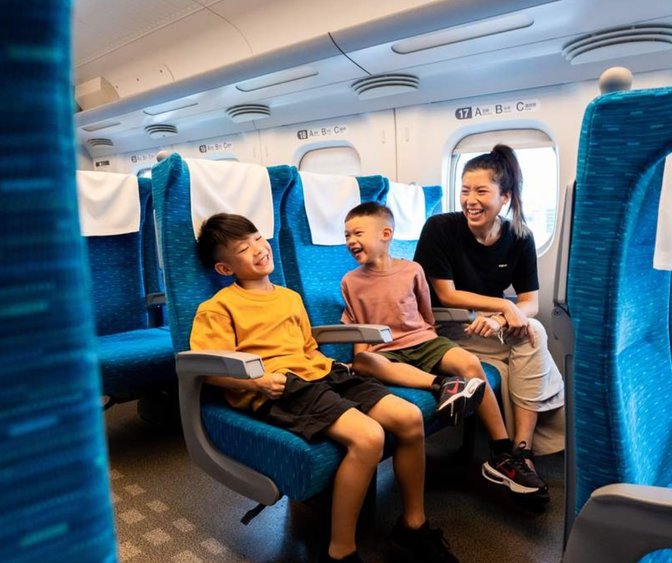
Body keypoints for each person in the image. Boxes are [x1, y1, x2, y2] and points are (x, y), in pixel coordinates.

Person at [190, 213, 459, 563]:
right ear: (226, 269)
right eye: (244, 248)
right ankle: (341, 551)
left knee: (409, 418)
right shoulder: (218, 308)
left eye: (258, 238)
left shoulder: (288, 297)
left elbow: (305, 347)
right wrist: (255, 381)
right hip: (282, 386)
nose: (259, 249)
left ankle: (412, 527)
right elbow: (205, 368)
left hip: (321, 374)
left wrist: (336, 368)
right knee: (369, 437)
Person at [341, 202, 548, 497]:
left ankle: (502, 450)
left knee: (468, 363)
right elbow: (357, 324)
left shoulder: (412, 271)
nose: (350, 241)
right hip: (387, 350)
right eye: (346, 235)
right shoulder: (350, 282)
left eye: (357, 233)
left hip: (424, 341)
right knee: (367, 362)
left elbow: (427, 314)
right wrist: (360, 359)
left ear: (386, 233)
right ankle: (443, 385)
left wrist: (436, 345)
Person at [413, 144, 565, 492]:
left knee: (532, 331)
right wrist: (503, 307)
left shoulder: (520, 237)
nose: (470, 200)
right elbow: (447, 294)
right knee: (532, 337)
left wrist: (501, 317)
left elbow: (529, 302)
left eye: (481, 191)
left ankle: (519, 451)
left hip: (482, 325)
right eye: (465, 190)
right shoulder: (441, 228)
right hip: (441, 323)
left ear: (506, 198)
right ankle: (516, 455)